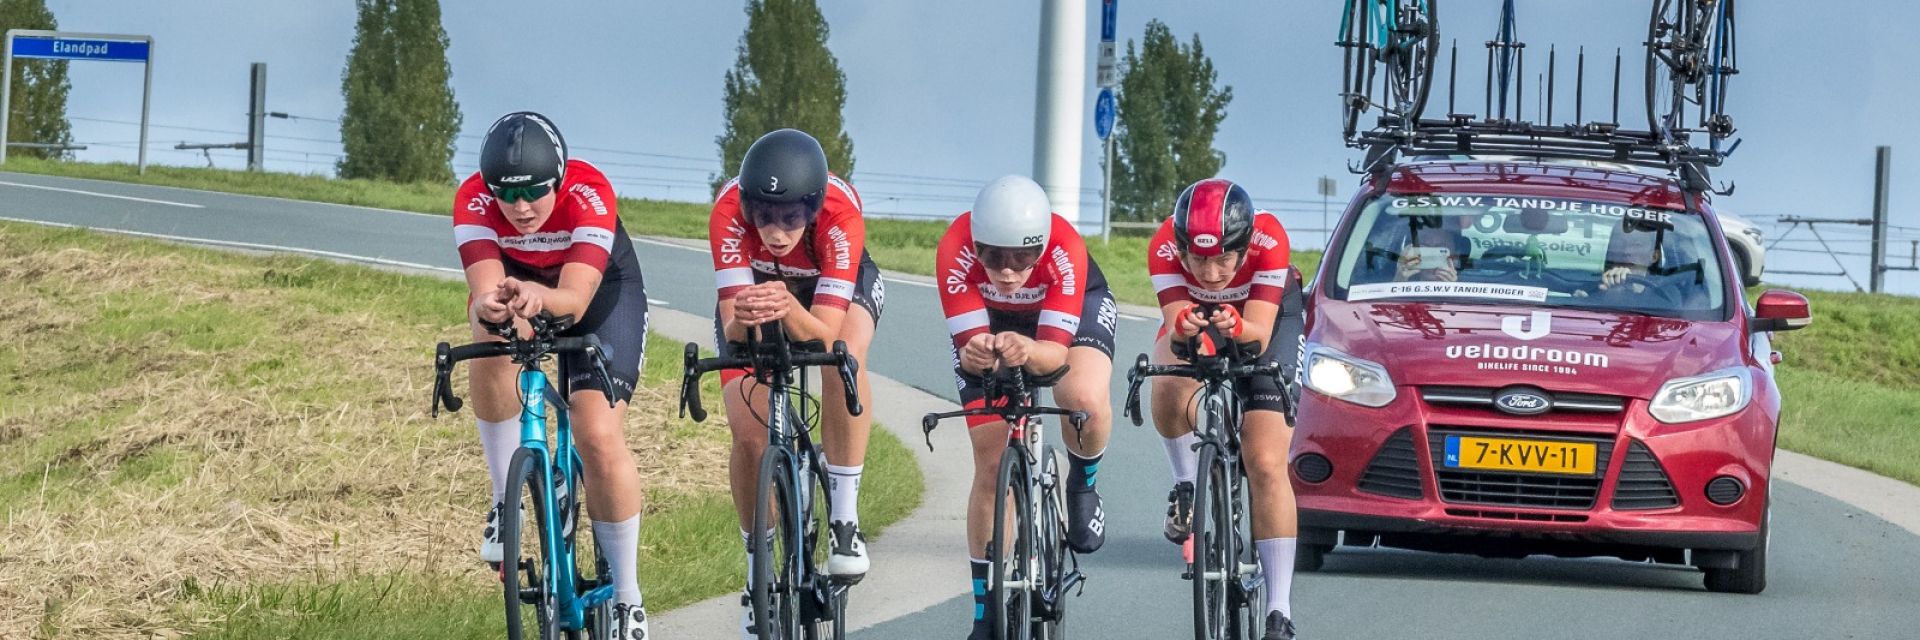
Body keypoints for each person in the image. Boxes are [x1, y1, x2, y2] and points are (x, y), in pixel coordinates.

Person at [453, 112, 650, 638]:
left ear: (558, 179)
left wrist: (540, 299)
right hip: (525, 287)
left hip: (599, 294)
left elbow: (575, 300)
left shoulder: (589, 193)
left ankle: (628, 594)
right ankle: (503, 500)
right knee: (489, 336)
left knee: (596, 435)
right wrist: (495, 309)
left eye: (534, 192)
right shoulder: (472, 200)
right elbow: (485, 294)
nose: (519, 208)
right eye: (506, 194)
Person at [708, 128, 884, 637]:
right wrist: (745, 314)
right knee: (747, 431)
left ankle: (844, 521)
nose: (776, 231)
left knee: (843, 359)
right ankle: (756, 569)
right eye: (763, 216)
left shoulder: (839, 217)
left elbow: (826, 336)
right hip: (760, 293)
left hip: (832, 288)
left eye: (790, 218)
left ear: (812, 208)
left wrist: (789, 307)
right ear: (747, 205)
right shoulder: (727, 214)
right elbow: (733, 326)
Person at [933, 176, 1117, 640]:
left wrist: (1028, 350)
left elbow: (1054, 357)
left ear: (1041, 245)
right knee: (991, 461)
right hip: (992, 322)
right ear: (975, 244)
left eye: (1022, 258)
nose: (1009, 271)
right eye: (992, 256)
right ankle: (983, 610)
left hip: (1068, 314)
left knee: (1081, 399)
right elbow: (971, 344)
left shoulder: (1064, 248)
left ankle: (1083, 481)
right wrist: (978, 353)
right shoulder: (953, 248)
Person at [1145, 178, 1305, 639]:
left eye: (1223, 259)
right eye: (1197, 259)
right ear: (1181, 248)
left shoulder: (1269, 239)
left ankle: (1279, 610)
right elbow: (1176, 329)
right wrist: (1185, 326)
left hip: (1266, 319)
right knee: (1167, 379)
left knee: (1266, 461)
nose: (1211, 273)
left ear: (1243, 245)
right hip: (1200, 316)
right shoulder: (1163, 246)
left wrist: (1235, 324)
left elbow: (1256, 333)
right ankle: (1185, 487)